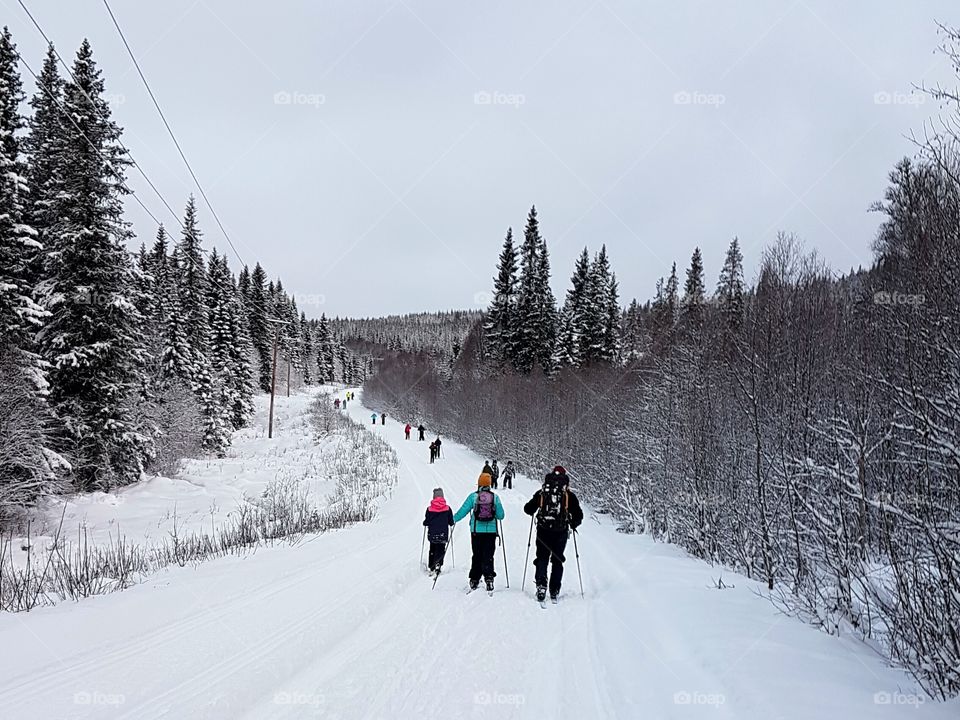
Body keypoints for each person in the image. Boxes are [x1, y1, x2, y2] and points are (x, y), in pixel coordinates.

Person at [523, 466, 583, 602]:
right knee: (557, 560)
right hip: (560, 532)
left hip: (543, 531)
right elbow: (579, 515)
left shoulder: (543, 492)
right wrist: (573, 523)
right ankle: (554, 589)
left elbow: (528, 509)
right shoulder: (569, 496)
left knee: (542, 558)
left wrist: (536, 508)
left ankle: (541, 585)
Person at [453, 473, 505, 592]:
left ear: (479, 483)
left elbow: (463, 510)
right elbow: (501, 516)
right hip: (491, 532)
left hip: (476, 531)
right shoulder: (495, 497)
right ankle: (489, 578)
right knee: (488, 555)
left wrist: (453, 519)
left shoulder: (473, 497)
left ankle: (474, 579)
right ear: (489, 484)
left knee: (477, 555)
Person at [423, 488, 454, 576]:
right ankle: (438, 564)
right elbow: (451, 522)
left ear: (434, 496)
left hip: (432, 534)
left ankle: (431, 566)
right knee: (441, 549)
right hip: (443, 534)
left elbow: (427, 521)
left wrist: (425, 523)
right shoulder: (448, 509)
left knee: (432, 548)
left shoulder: (429, 509)